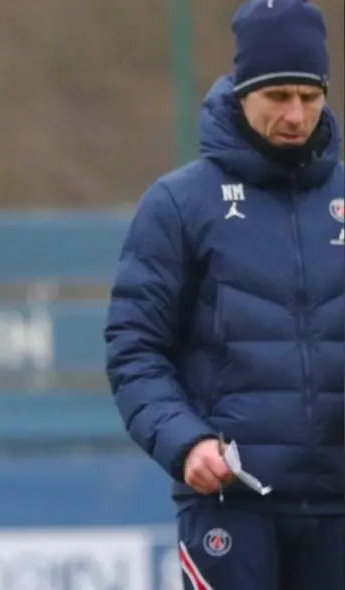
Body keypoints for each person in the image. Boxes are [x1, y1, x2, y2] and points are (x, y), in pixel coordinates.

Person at [104, 1, 343, 588]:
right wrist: (187, 443)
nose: (295, 114)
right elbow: (134, 349)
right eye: (278, 97)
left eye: (310, 97)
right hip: (231, 507)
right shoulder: (180, 205)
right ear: (242, 93)